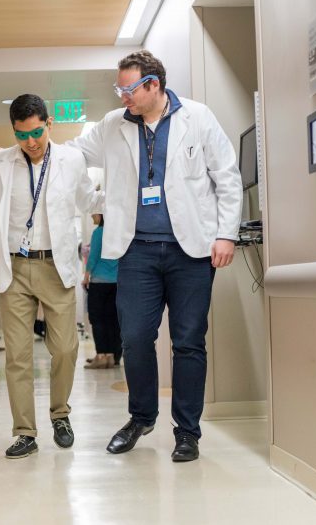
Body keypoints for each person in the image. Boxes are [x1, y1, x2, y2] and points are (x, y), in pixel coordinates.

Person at [69, 50, 242, 462]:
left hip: (191, 251)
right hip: (136, 251)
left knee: (187, 343)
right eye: (119, 88)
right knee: (134, 339)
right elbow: (73, 153)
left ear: (154, 85)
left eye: (128, 89)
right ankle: (141, 416)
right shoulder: (113, 125)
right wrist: (18, 152)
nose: (122, 96)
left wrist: (226, 235)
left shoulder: (197, 117)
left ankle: (187, 432)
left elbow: (227, 177)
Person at [0, 94, 103, 459]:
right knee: (18, 355)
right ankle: (25, 431)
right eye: (22, 135)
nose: (30, 141)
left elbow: (90, 201)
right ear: (13, 131)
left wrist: (123, 194)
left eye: (37, 132)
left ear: (49, 124)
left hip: (56, 266)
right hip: (14, 267)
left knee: (64, 348)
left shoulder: (72, 160)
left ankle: (60, 414)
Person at [82, 214, 122, 369]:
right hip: (117, 282)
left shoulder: (99, 232)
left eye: (94, 212)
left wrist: (86, 276)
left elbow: (93, 256)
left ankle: (102, 355)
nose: (92, 215)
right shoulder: (118, 230)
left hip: (99, 282)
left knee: (98, 320)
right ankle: (112, 356)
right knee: (113, 320)